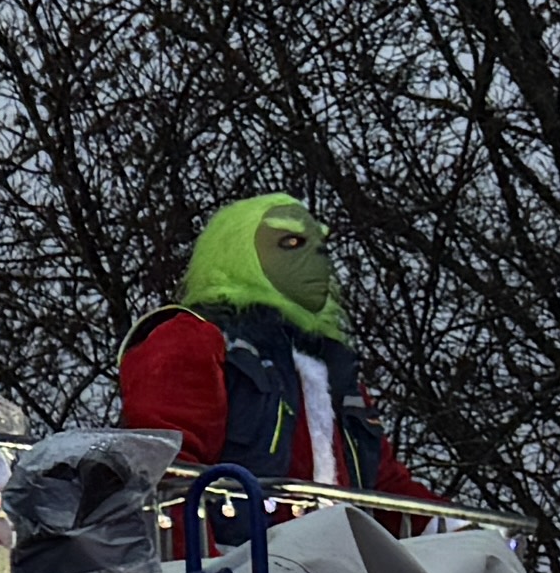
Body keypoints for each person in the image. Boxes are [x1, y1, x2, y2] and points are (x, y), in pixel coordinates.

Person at [115, 195, 413, 509]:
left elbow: (390, 491)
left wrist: (451, 529)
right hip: (242, 539)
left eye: (321, 245)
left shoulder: (335, 372)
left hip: (336, 540)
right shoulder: (195, 339)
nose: (318, 257)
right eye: (291, 242)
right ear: (236, 252)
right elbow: (164, 467)